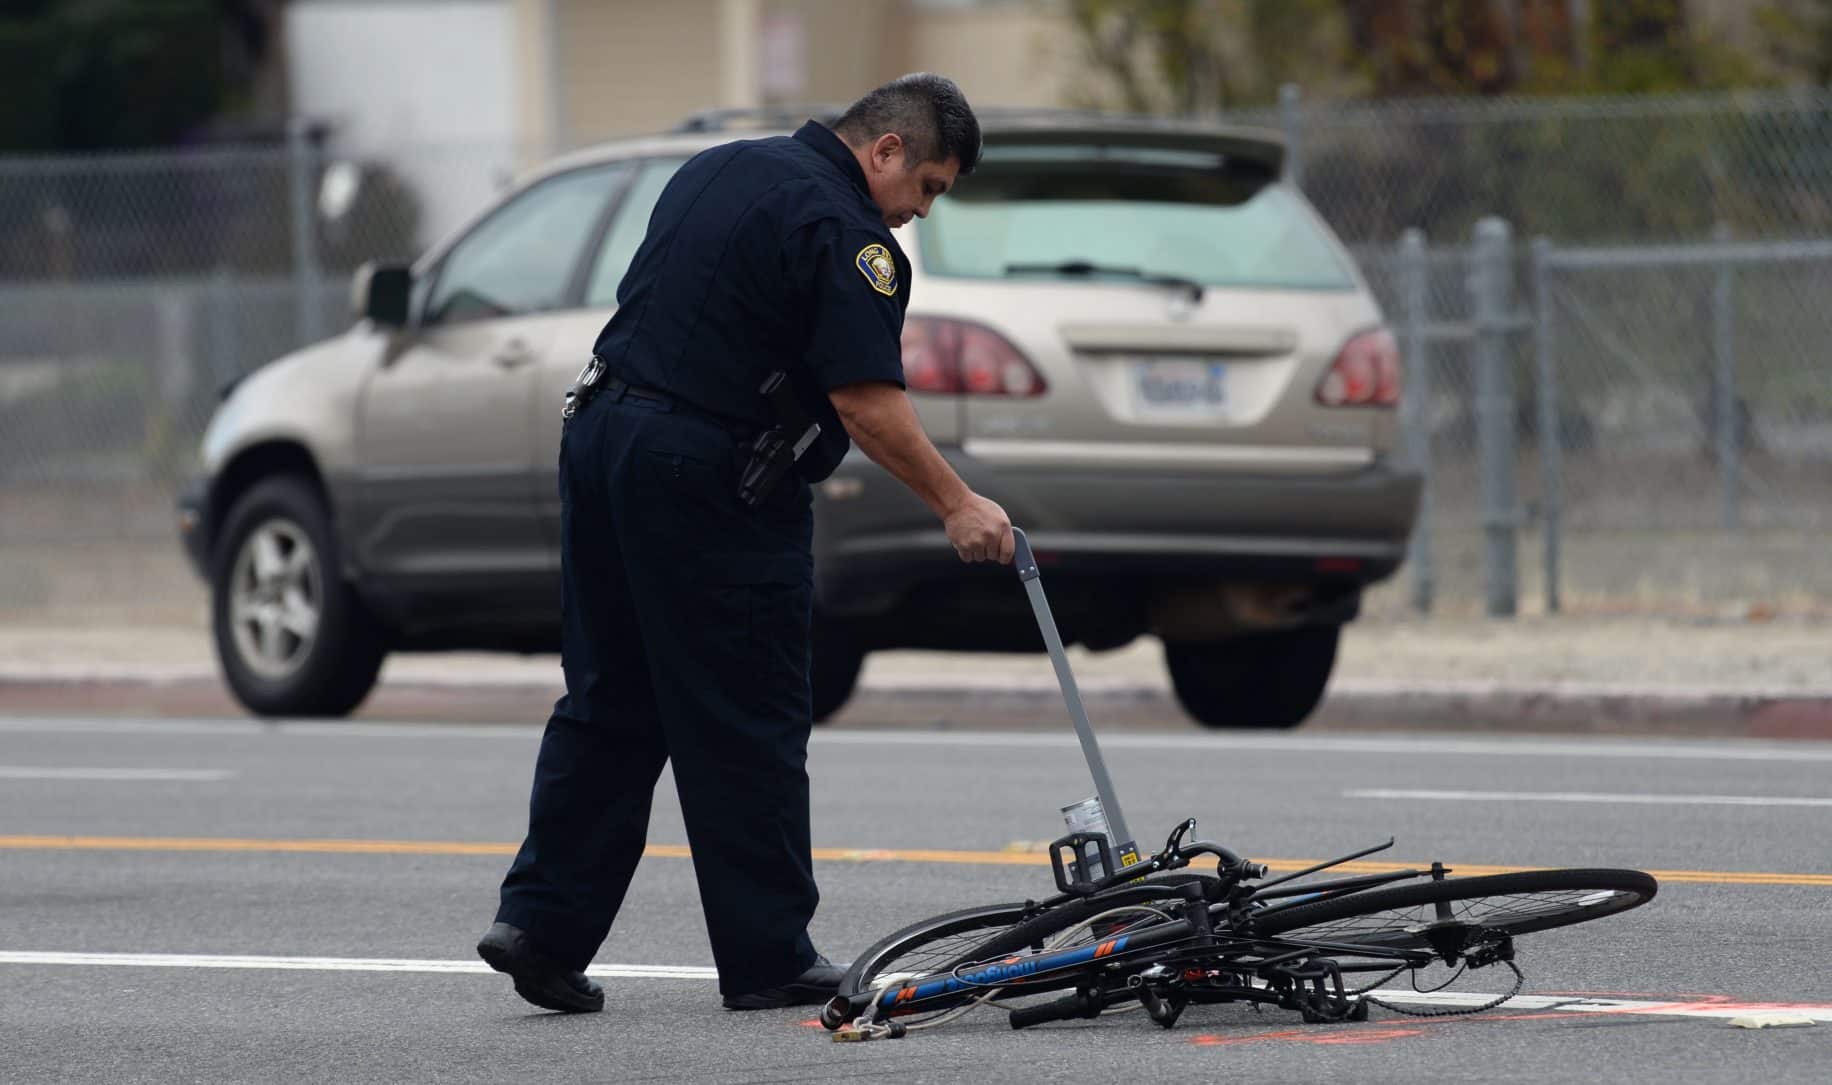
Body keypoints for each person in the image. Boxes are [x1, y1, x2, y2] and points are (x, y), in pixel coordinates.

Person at [477, 73, 1014, 1015]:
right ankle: (767, 953)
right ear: (884, 151)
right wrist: (956, 501)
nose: (918, 212)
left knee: (612, 695)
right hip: (707, 474)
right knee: (749, 710)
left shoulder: (719, 168)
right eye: (926, 186)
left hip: (603, 439)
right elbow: (865, 400)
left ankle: (540, 925)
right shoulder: (851, 235)